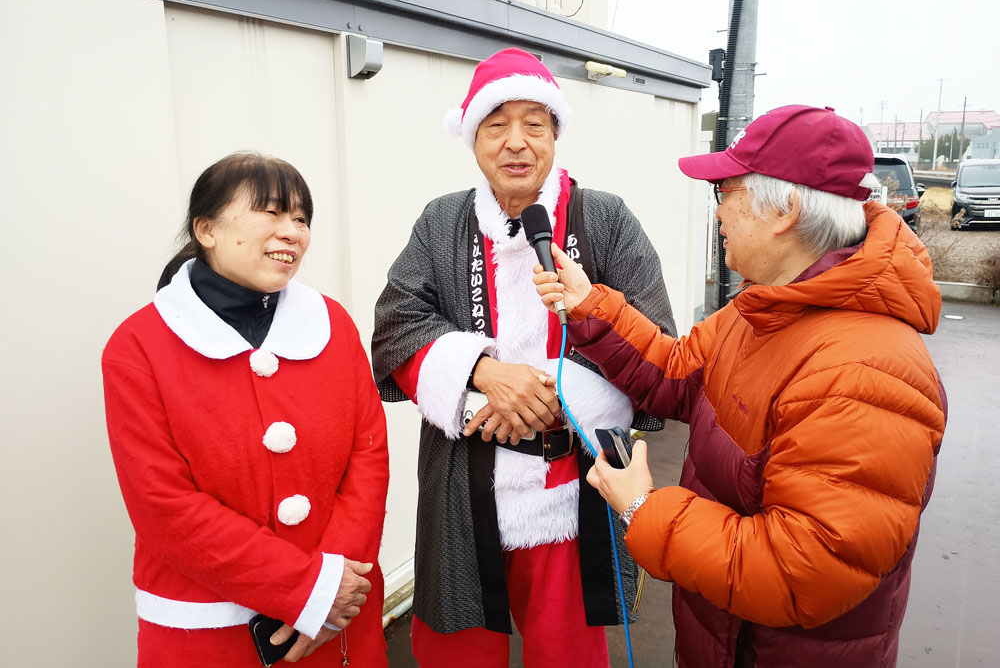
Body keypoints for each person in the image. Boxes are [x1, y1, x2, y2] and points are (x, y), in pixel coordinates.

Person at [533, 105, 948, 668]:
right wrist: (590, 306)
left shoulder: (863, 373)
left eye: (725, 192)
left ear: (786, 211)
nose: (718, 211)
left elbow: (799, 572)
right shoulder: (765, 308)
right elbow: (676, 372)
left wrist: (644, 508)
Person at [371, 48, 676, 667]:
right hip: (464, 478)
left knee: (567, 654)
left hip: (575, 484)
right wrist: (483, 373)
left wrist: (547, 396)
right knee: (456, 650)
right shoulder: (442, 221)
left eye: (534, 124)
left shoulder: (605, 218)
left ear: (555, 133)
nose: (516, 142)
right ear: (472, 139)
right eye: (496, 126)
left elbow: (655, 340)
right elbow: (396, 322)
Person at [102, 152, 390, 667]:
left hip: (340, 612)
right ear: (207, 229)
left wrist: (332, 585)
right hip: (208, 627)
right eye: (270, 212)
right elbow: (162, 505)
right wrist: (304, 587)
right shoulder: (137, 346)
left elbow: (367, 455)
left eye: (301, 218)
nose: (292, 232)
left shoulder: (332, 324)